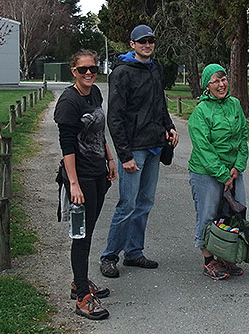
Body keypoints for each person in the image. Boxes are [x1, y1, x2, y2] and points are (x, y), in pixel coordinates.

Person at [100, 24, 179, 278]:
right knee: (127, 204)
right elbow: (115, 118)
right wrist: (125, 155)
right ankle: (109, 256)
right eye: (142, 41)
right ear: (132, 44)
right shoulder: (122, 73)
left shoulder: (155, 68)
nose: (147, 44)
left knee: (144, 203)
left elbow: (160, 103)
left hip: (155, 146)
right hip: (134, 150)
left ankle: (134, 252)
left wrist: (170, 126)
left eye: (151, 40)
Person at [54, 49, 117, 320]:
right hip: (80, 177)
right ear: (73, 71)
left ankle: (79, 281)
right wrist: (74, 184)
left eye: (92, 68)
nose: (89, 73)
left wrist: (110, 158)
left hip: (98, 173)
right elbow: (67, 147)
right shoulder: (68, 102)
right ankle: (82, 296)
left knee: (89, 230)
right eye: (83, 70)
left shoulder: (94, 93)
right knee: (81, 236)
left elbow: (99, 131)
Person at [188, 64, 249, 280]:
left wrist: (237, 167)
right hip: (206, 172)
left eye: (223, 79)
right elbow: (204, 148)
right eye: (215, 81)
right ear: (207, 86)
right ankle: (208, 259)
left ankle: (224, 254)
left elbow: (242, 135)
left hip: (233, 172)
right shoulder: (201, 112)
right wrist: (223, 175)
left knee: (233, 213)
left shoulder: (235, 105)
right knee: (208, 214)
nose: (221, 84)